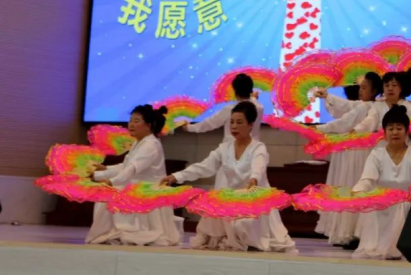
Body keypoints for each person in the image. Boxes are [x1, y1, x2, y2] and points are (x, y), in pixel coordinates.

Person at [162, 101, 296, 253]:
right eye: (231, 122)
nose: (234, 126)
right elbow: (205, 166)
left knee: (242, 225)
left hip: (254, 200)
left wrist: (254, 178)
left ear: (250, 125)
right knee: (209, 222)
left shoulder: (258, 147)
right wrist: (176, 176)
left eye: (239, 122)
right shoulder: (224, 148)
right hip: (231, 199)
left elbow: (258, 165)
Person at [352, 105, 411, 260]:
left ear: (407, 131)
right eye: (390, 128)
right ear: (384, 133)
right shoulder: (376, 155)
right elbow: (366, 180)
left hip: (406, 210)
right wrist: (357, 192)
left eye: (399, 128)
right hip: (380, 208)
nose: (395, 132)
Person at [86, 105, 181, 246]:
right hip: (136, 185)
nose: (131, 124)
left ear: (148, 125)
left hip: (148, 189)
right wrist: (102, 171)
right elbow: (125, 166)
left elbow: (131, 170)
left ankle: (126, 230)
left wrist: (111, 181)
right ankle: (115, 230)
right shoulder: (139, 142)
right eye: (130, 120)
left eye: (136, 121)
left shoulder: (150, 145)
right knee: (109, 193)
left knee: (111, 193)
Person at [315, 73, 383, 247]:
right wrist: (328, 96)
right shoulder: (363, 105)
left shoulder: (370, 106)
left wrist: (320, 128)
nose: (361, 90)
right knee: (353, 186)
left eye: (365, 87)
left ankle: (351, 232)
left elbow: (347, 121)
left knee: (352, 185)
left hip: (358, 152)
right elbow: (346, 106)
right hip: (357, 152)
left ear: (375, 91)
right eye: (360, 87)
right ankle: (352, 231)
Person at [182, 73, 264, 141]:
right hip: (252, 150)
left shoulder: (231, 110)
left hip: (232, 152)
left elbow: (210, 123)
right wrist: (253, 98)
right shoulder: (259, 107)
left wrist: (189, 127)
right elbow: (252, 102)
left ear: (235, 90)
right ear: (251, 90)